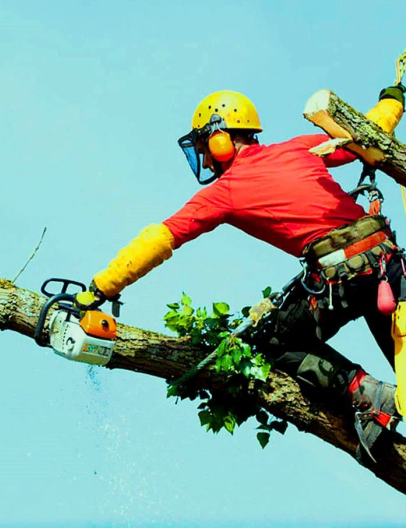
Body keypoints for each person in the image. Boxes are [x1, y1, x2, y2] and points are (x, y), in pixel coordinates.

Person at [75, 86, 406, 462]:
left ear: (220, 139)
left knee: (274, 342)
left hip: (342, 278)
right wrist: (394, 98)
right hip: (389, 268)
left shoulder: (226, 191)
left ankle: (365, 394)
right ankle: (377, 407)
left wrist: (100, 287)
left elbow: (160, 238)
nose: (205, 159)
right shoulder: (299, 148)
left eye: (204, 149)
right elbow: (369, 131)